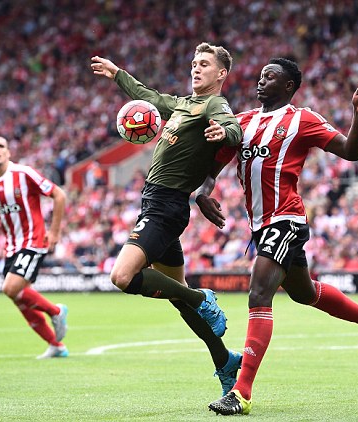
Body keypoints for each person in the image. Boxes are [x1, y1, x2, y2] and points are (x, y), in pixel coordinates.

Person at [197, 58, 358, 415]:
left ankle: (241, 393)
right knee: (304, 293)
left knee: (259, 294)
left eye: (270, 77)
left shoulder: (302, 119)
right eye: (260, 76)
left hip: (286, 219)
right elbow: (212, 169)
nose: (261, 81)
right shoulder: (241, 122)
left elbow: (351, 152)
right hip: (260, 225)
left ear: (288, 86)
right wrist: (202, 193)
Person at [90, 42, 244, 395]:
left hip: (166, 206)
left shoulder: (214, 104)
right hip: (156, 204)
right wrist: (117, 74)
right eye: (194, 63)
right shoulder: (182, 104)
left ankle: (201, 298)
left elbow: (233, 128)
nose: (196, 68)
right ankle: (224, 360)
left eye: (204, 64)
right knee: (177, 295)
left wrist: (225, 133)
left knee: (122, 276)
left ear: (221, 73)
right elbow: (148, 96)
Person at [0, 136, 69, 359]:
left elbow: (59, 195)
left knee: (10, 288)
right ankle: (56, 346)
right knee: (19, 298)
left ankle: (56, 311)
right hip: (11, 247)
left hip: (34, 240)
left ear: (8, 152)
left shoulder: (24, 173)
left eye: (1, 146)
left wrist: (54, 232)